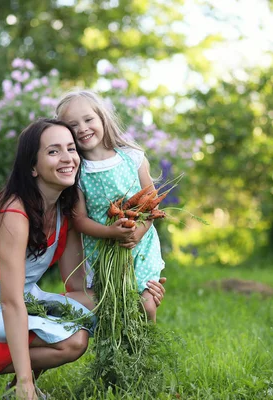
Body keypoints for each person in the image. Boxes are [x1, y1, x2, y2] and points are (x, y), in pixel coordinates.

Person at [0, 118, 167, 400]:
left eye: (71, 148)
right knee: (73, 341)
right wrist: (26, 385)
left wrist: (137, 293)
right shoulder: (14, 214)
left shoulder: (62, 211)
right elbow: (10, 301)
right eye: (53, 151)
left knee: (113, 306)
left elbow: (77, 288)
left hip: (24, 298)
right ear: (32, 166)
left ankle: (9, 377)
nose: (68, 158)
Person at [56, 90, 166, 322]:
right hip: (103, 252)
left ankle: (145, 355)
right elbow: (80, 219)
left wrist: (139, 232)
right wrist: (109, 232)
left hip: (140, 250)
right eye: (73, 125)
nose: (83, 128)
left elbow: (150, 206)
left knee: (145, 306)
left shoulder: (132, 157)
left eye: (88, 120)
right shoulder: (78, 170)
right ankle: (116, 354)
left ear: (102, 119)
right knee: (114, 307)